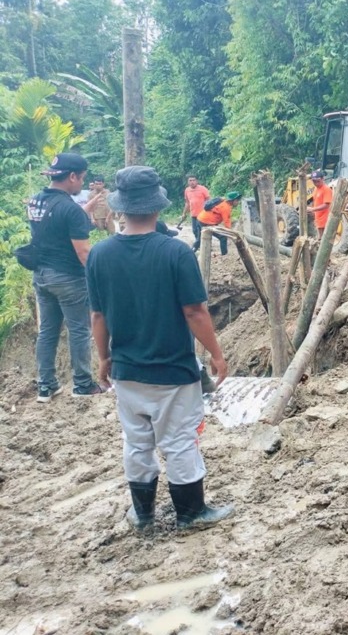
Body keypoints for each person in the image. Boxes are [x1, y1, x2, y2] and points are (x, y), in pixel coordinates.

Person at [87, 165, 233, 531]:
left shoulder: (100, 255)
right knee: (179, 440)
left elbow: (98, 316)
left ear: (120, 208)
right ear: (157, 206)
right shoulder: (176, 253)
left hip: (127, 370)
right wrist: (216, 354)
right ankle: (190, 513)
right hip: (172, 370)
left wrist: (104, 358)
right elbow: (194, 312)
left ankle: (143, 514)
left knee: (137, 442)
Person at [27, 153, 106, 402]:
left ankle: (46, 386)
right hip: (69, 278)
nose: (82, 183)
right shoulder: (70, 209)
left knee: (47, 331)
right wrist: (101, 279)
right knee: (79, 330)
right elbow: (83, 253)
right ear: (72, 176)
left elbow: (57, 221)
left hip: (41, 275)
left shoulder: (36, 201)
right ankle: (82, 384)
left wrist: (84, 210)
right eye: (81, 178)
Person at [196, 191, 241, 256]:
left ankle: (192, 250)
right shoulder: (226, 207)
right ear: (232, 200)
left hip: (200, 219)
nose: (238, 202)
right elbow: (227, 222)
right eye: (237, 200)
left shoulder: (223, 201)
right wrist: (230, 233)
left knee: (199, 240)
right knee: (223, 237)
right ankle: (224, 255)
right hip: (206, 222)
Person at [180, 175, 211, 251]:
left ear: (196, 181)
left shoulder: (202, 189)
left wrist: (208, 210)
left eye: (193, 180)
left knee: (201, 231)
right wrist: (184, 213)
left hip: (203, 214)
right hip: (193, 214)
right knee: (194, 231)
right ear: (188, 182)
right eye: (190, 180)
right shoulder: (187, 190)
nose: (192, 182)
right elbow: (187, 203)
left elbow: (209, 200)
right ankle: (201, 245)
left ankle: (199, 246)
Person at [306, 171, 333, 238]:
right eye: (314, 181)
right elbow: (316, 202)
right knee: (319, 237)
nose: (316, 183)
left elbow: (327, 205)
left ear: (323, 179)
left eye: (318, 181)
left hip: (325, 218)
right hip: (318, 218)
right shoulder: (316, 189)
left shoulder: (326, 189)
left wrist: (312, 209)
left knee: (323, 238)